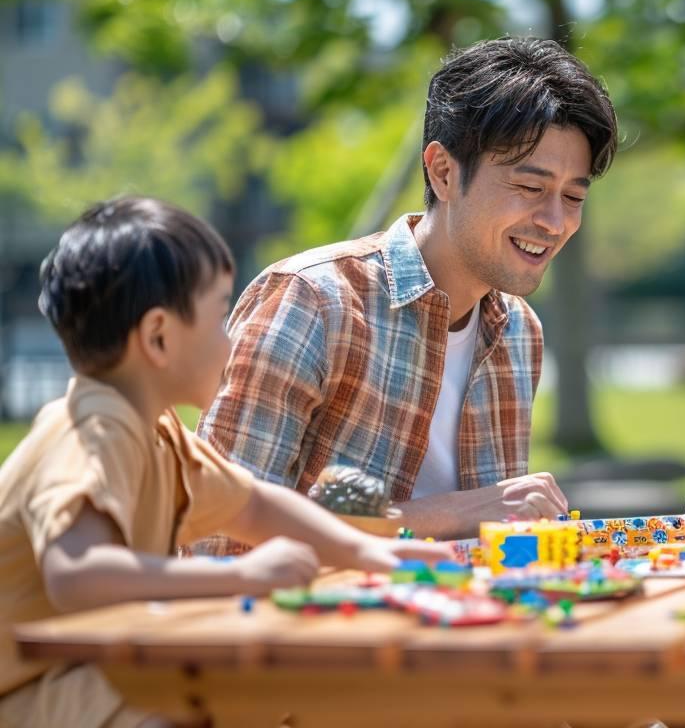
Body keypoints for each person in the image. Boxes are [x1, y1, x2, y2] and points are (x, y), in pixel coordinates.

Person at [0, 197, 455, 728]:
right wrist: (241, 574)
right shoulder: (90, 426)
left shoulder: (159, 433)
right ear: (158, 337)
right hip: (31, 689)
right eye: (219, 316)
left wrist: (370, 553)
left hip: (85, 672)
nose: (232, 340)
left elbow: (256, 506)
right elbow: (78, 575)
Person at [195, 37, 620, 553]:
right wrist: (452, 515)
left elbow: (496, 547)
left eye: (573, 196)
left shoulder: (518, 330)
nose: (556, 222)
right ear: (444, 172)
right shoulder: (313, 302)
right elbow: (217, 533)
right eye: (531, 188)